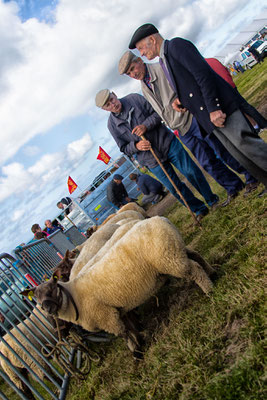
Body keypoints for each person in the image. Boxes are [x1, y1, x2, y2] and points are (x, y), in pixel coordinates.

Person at [128, 23, 267, 197]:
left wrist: (214, 107)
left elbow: (202, 74)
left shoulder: (176, 46)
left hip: (214, 110)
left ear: (152, 39)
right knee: (238, 151)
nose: (141, 52)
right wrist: (181, 99)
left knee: (246, 145)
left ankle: (256, 178)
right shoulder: (165, 59)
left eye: (141, 48)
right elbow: (188, 83)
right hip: (200, 116)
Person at [95, 89, 220, 221]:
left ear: (114, 94)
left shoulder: (134, 99)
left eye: (112, 99)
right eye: (108, 105)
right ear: (104, 109)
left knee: (191, 172)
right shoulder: (112, 126)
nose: (113, 104)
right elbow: (124, 148)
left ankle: (212, 200)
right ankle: (199, 209)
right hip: (151, 160)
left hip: (167, 143)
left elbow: (158, 114)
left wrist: (145, 126)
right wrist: (136, 146)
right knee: (174, 187)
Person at [205, 57, 267, 133]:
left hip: (225, 89)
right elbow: (226, 70)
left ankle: (261, 125)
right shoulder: (213, 60)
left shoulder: (204, 65)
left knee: (242, 109)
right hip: (230, 85)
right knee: (244, 107)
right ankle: (258, 126)